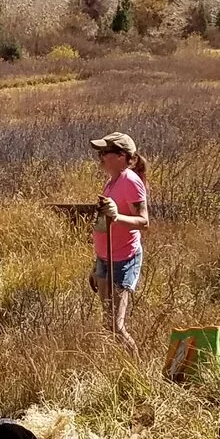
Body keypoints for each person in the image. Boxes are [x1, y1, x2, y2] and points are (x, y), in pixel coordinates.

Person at [88, 131, 149, 355]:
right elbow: (104, 225)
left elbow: (144, 222)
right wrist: (96, 265)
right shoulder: (111, 182)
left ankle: (136, 367)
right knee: (108, 323)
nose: (101, 157)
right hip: (105, 258)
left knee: (116, 325)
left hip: (123, 259)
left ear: (122, 156)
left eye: (105, 152)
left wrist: (117, 217)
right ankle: (116, 363)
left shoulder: (130, 181)